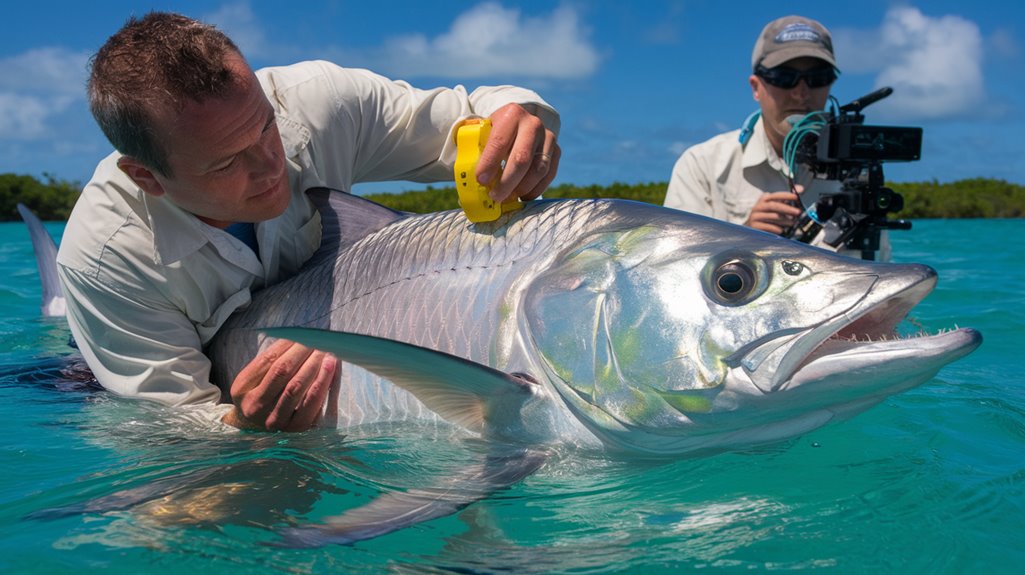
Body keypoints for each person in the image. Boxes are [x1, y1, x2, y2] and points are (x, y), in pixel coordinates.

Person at [56, 12, 561, 432]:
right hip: (125, 358)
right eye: (227, 163)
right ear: (147, 178)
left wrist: (516, 124)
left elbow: (476, 112)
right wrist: (242, 424)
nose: (271, 166)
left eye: (266, 127)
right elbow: (170, 424)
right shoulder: (104, 257)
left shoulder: (321, 100)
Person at [664, 15, 889, 260]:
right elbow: (675, 268)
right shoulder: (701, 166)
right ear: (756, 87)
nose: (801, 93)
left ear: (830, 84)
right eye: (784, 76)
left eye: (817, 78)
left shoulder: (859, 174)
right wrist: (742, 238)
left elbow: (879, 269)